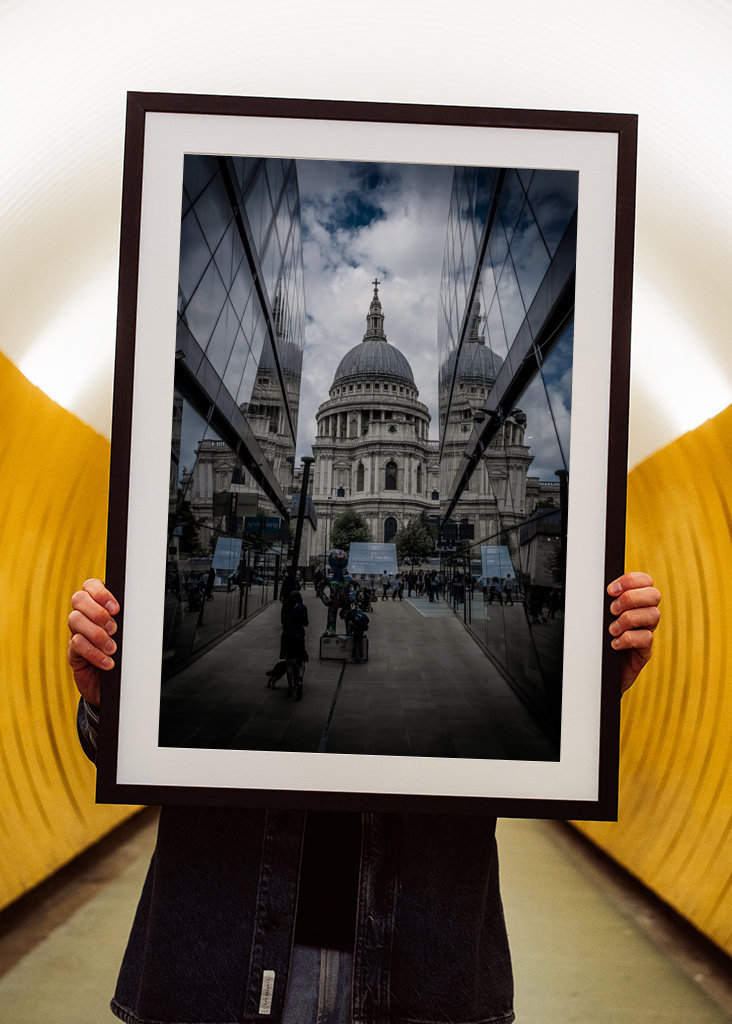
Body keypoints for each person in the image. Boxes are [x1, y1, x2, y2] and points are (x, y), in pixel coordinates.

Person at [68, 571, 660, 1024]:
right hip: (220, 958)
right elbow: (120, 753)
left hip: (421, 966)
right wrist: (110, 702)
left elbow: (541, 764)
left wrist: (583, 698)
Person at [279, 588, 309, 699]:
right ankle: (300, 682)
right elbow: (306, 623)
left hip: (287, 638)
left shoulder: (285, 607)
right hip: (298, 638)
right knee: (301, 661)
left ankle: (290, 686)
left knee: (289, 662)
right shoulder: (302, 608)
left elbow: (282, 621)